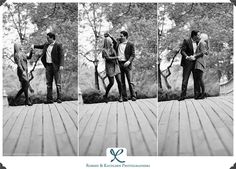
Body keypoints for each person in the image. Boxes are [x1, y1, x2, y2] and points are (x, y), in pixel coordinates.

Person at [32, 32, 64, 104]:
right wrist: (34, 46)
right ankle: (49, 100)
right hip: (48, 66)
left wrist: (61, 65)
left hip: (56, 66)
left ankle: (59, 98)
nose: (47, 39)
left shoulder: (58, 45)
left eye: (48, 38)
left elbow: (62, 55)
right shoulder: (46, 44)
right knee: (48, 83)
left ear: (52, 38)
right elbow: (41, 46)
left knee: (58, 83)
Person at [108, 31, 136, 101]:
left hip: (127, 64)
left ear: (125, 36)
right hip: (119, 64)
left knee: (130, 81)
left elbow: (133, 55)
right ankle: (124, 97)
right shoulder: (118, 43)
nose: (120, 37)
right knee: (122, 82)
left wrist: (129, 61)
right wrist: (110, 36)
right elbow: (114, 41)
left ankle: (133, 96)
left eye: (121, 36)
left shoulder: (130, 44)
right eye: (120, 36)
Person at [178, 30, 201, 101]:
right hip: (187, 63)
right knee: (185, 79)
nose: (199, 36)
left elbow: (201, 52)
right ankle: (182, 96)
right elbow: (182, 51)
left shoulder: (199, 42)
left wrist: (195, 56)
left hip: (195, 62)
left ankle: (197, 95)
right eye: (198, 35)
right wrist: (187, 57)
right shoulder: (186, 41)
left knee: (196, 79)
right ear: (194, 35)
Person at [102, 36, 123, 103]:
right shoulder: (104, 50)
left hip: (116, 66)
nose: (111, 42)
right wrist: (117, 57)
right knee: (111, 83)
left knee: (119, 81)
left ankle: (121, 96)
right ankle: (105, 95)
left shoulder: (112, 48)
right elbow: (107, 58)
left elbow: (115, 42)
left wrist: (110, 36)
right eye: (110, 41)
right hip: (109, 67)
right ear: (107, 42)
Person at [13, 42, 33, 106]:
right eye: (19, 45)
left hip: (25, 71)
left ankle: (15, 100)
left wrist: (31, 51)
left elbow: (29, 57)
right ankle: (27, 101)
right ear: (17, 47)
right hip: (21, 72)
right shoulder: (16, 54)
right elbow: (19, 64)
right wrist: (23, 71)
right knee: (26, 84)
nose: (20, 46)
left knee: (24, 87)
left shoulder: (23, 53)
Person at [191, 33, 209, 99]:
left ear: (201, 37)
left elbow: (202, 53)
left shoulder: (201, 43)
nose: (198, 36)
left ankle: (203, 94)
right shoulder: (201, 43)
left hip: (200, 62)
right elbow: (205, 52)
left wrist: (194, 56)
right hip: (199, 62)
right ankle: (202, 94)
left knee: (200, 78)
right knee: (199, 78)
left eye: (199, 36)